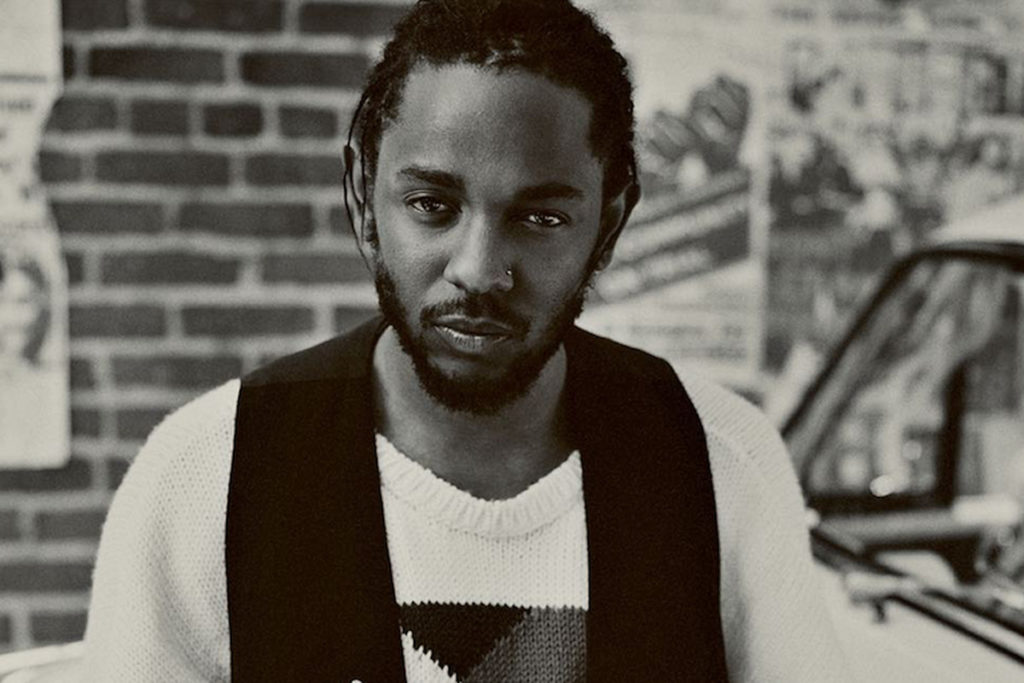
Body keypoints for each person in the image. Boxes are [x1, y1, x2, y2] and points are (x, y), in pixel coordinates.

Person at [83, 1, 850, 681]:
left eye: (541, 218)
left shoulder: (720, 461)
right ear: (364, 196)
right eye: (431, 203)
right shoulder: (206, 475)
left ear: (609, 223)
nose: (479, 269)